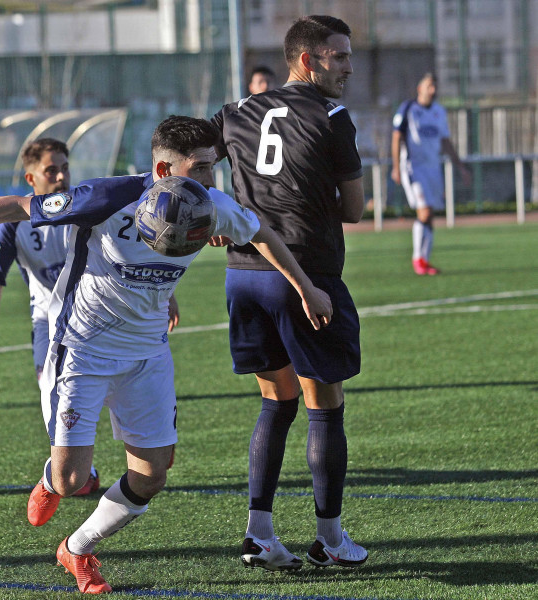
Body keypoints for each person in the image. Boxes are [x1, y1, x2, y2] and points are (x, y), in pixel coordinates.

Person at [0, 115, 333, 593]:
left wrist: (305, 288)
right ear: (165, 171)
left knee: (153, 474)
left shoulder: (210, 205)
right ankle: (50, 479)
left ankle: (77, 549)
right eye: (201, 168)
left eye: (213, 168)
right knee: (70, 479)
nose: (211, 179)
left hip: (147, 355)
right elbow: (20, 205)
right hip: (82, 349)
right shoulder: (108, 197)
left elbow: (262, 233)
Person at [211, 15, 369, 571]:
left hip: (242, 274)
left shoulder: (237, 111)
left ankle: (259, 533)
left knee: (275, 402)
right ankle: (330, 539)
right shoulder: (332, 116)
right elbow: (353, 209)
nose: (349, 67)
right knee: (324, 408)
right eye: (340, 57)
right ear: (309, 60)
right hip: (306, 274)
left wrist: (211, 204)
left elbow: (186, 151)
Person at [0, 138, 101, 497]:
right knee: (52, 389)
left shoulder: (87, 206)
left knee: (112, 387)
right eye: (52, 170)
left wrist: (164, 296)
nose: (61, 177)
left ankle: (147, 450)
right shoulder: (14, 224)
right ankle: (77, 470)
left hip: (97, 312)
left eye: (65, 167)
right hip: (48, 319)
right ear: (31, 180)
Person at [391, 73, 471, 275]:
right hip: (413, 168)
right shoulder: (408, 109)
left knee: (430, 215)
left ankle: (425, 260)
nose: (433, 90)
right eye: (429, 86)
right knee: (424, 212)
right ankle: (418, 259)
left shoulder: (438, 112)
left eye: (435, 86)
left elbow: (445, 141)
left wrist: (460, 166)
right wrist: (395, 167)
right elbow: (396, 137)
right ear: (420, 89)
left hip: (433, 168)